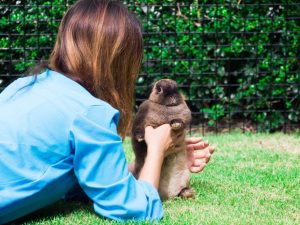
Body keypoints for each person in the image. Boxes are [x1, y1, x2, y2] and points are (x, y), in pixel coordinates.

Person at [0, 0, 215, 224]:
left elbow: (94, 179)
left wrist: (166, 162)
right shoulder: (90, 113)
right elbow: (138, 210)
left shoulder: (24, 86)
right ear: (118, 61)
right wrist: (156, 152)